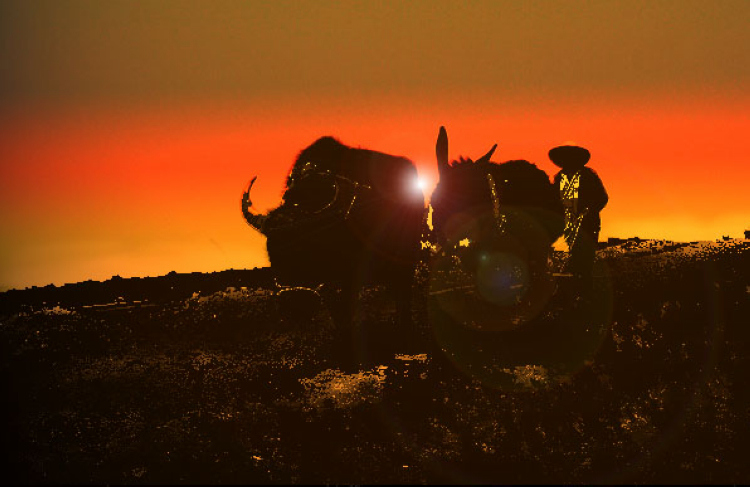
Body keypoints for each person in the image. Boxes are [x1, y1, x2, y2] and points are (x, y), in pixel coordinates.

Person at [549, 145, 608, 294]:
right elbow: (554, 200)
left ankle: (583, 290)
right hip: (570, 224)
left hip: (587, 223)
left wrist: (588, 211)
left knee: (585, 257)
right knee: (576, 256)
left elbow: (602, 198)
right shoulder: (560, 178)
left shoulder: (588, 177)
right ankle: (579, 290)